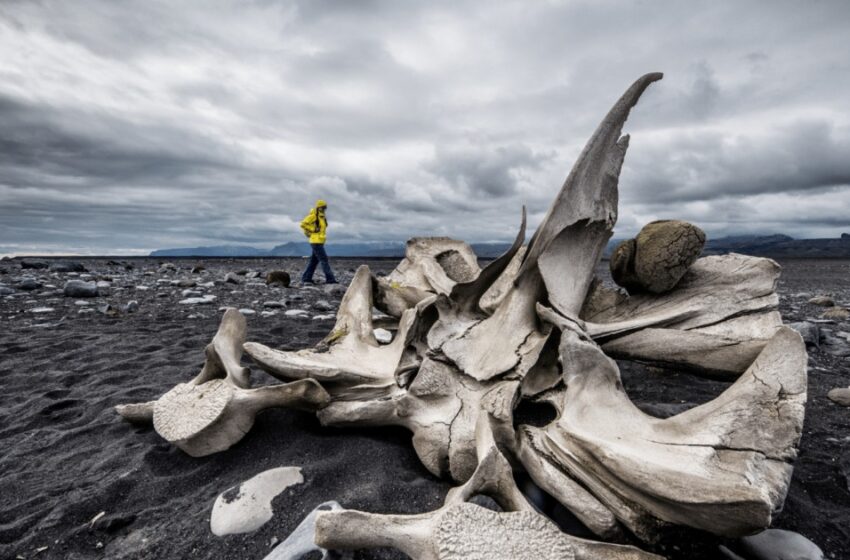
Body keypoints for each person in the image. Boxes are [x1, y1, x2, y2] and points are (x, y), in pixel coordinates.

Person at [299, 199, 337, 284]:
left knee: (314, 261)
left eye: (324, 208)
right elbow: (303, 224)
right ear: (318, 207)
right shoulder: (314, 216)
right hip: (315, 241)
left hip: (319, 241)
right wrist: (313, 229)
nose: (323, 209)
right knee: (324, 259)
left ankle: (306, 278)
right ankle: (330, 279)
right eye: (321, 207)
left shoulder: (322, 217)